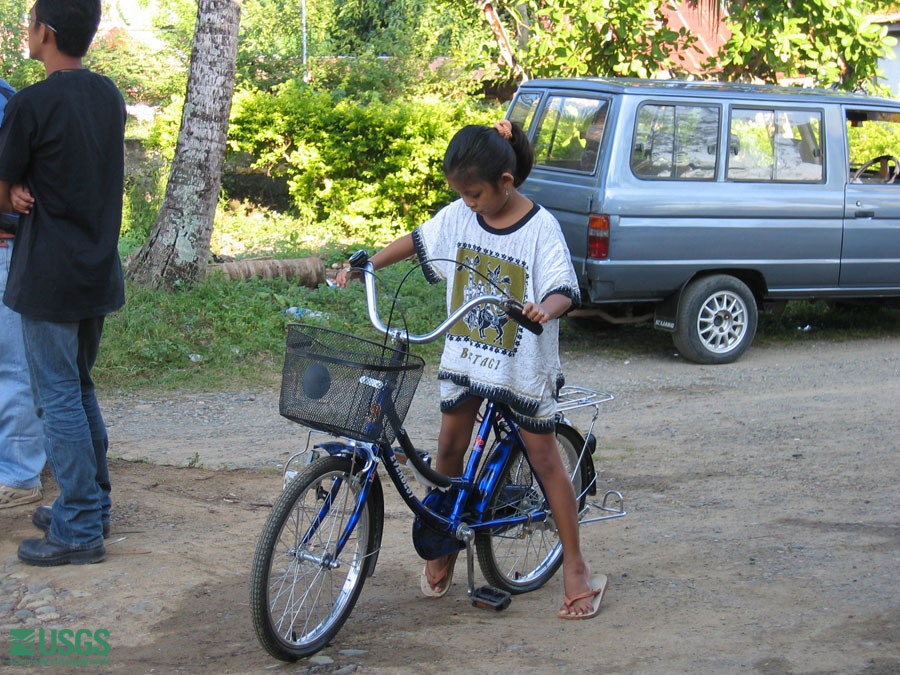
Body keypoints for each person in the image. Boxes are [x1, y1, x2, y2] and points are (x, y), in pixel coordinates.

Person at [337, 120, 609, 619]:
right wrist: (367, 265)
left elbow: (562, 286)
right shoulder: (462, 217)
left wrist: (545, 309)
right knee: (448, 450)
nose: (468, 203)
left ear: (506, 182)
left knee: (545, 459)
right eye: (460, 194)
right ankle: (443, 543)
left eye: (475, 193)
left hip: (520, 363)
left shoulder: (540, 228)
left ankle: (574, 565)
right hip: (466, 355)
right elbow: (420, 239)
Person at [0, 0, 126, 565]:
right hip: (96, 271)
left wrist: (14, 193)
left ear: (45, 32)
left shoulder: (29, 104)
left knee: (58, 397)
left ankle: (78, 525)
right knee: (78, 388)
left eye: (29, 24)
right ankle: (91, 506)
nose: (25, 33)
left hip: (48, 275)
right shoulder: (109, 97)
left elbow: (3, 191)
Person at [0, 77, 47, 510]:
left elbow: (16, 188)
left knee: (14, 368)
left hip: (5, 247)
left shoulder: (10, 103)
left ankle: (18, 475)